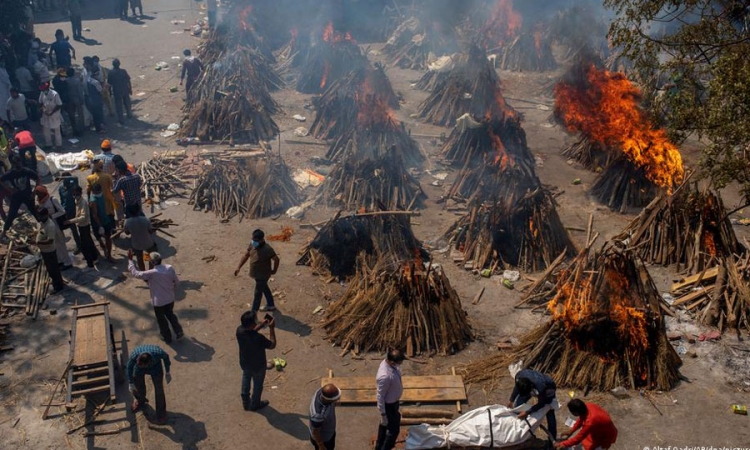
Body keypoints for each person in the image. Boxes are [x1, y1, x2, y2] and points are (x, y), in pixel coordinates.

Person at [128, 250, 183, 343]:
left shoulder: (151, 273)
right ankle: (179, 331)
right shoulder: (169, 268)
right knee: (170, 315)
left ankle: (167, 337)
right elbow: (177, 282)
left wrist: (130, 260)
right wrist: (172, 290)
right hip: (170, 298)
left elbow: (135, 273)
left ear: (152, 262)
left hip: (158, 302)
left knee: (162, 320)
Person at [236, 310, 276, 411]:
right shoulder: (258, 338)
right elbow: (272, 344)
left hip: (245, 363)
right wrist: (271, 328)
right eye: (255, 320)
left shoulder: (239, 331)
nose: (257, 321)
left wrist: (261, 325)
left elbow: (250, 332)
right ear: (252, 324)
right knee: (258, 385)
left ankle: (245, 400)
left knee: (246, 377)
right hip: (258, 366)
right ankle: (255, 403)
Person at [234, 229, 280, 312]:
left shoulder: (267, 249)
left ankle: (253, 313)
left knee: (257, 294)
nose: (253, 241)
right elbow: (246, 255)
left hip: (263, 275)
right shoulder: (252, 245)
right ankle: (271, 305)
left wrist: (274, 270)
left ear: (262, 240)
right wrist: (238, 267)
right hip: (256, 274)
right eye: (252, 239)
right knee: (264, 288)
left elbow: (276, 259)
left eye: (255, 240)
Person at [508, 368, 558, 440]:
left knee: (549, 412)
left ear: (531, 388)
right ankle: (519, 430)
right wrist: (511, 400)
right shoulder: (519, 376)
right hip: (531, 386)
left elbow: (541, 404)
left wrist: (528, 412)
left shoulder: (541, 387)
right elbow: (517, 387)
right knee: (518, 404)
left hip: (548, 389)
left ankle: (552, 439)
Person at [127, 344, 171, 424]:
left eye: (143, 365)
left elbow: (166, 357)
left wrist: (167, 371)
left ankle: (161, 414)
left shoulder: (158, 353)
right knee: (137, 385)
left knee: (159, 390)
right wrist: (131, 382)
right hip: (139, 370)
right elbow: (129, 368)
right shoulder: (134, 356)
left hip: (156, 368)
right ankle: (140, 401)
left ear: (148, 363)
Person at [1, 154, 40, 239]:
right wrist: (9, 189)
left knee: (35, 212)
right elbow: (1, 180)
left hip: (28, 196)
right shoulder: (10, 173)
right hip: (16, 197)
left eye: (19, 163)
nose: (18, 166)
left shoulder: (26, 171)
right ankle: (4, 232)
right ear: (13, 164)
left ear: (21, 163)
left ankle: (44, 228)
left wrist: (34, 192)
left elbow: (38, 178)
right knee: (11, 214)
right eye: (16, 164)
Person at [35, 185, 74, 270]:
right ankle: (60, 261)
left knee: (61, 244)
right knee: (54, 244)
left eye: (39, 194)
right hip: (47, 225)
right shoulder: (40, 201)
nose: (38, 196)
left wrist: (52, 216)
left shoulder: (52, 200)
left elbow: (62, 211)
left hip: (55, 224)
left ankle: (67, 262)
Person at [375, 349, 405, 450]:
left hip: (393, 403)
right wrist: (383, 414)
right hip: (389, 406)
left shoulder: (390, 365)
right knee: (393, 430)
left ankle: (379, 446)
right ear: (392, 362)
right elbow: (380, 396)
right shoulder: (385, 376)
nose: (401, 364)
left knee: (384, 425)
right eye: (399, 362)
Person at [65, 186, 98, 268]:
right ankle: (94, 257)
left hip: (84, 225)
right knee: (89, 242)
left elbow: (83, 217)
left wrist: (71, 221)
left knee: (85, 246)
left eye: (77, 194)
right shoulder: (77, 201)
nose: (75, 195)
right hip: (81, 226)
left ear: (80, 193)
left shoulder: (83, 203)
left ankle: (90, 263)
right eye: (74, 194)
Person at [34, 208, 65, 293]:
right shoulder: (42, 223)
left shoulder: (50, 225)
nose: (39, 218)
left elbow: (50, 240)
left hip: (49, 251)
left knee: (53, 269)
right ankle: (58, 282)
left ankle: (58, 287)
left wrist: (38, 242)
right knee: (50, 268)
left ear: (46, 215)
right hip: (44, 251)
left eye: (41, 216)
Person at [309, 384, 341, 450]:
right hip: (324, 439)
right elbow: (315, 431)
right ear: (329, 400)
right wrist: (321, 445)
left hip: (329, 431)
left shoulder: (321, 391)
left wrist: (334, 402)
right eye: (336, 398)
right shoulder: (318, 415)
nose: (338, 399)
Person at [89, 183, 115, 261]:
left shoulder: (102, 195)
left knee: (108, 237)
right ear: (93, 192)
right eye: (96, 192)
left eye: (99, 191)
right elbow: (95, 215)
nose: (98, 193)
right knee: (99, 236)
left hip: (105, 219)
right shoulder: (93, 201)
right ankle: (102, 245)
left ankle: (109, 255)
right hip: (98, 222)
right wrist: (100, 226)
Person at [57, 172, 83, 253]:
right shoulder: (61, 189)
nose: (65, 181)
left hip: (74, 210)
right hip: (65, 211)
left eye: (66, 179)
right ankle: (77, 245)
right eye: (64, 180)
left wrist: (66, 177)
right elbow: (62, 200)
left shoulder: (73, 186)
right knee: (69, 229)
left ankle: (81, 245)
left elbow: (75, 178)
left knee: (77, 229)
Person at [123, 204, 154, 270]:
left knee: (139, 259)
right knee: (150, 257)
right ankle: (150, 272)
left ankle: (144, 274)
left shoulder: (127, 222)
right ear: (138, 210)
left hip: (136, 244)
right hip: (147, 242)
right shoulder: (145, 219)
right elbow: (151, 231)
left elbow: (127, 233)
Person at [38, 82, 63, 151]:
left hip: (54, 115)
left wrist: (52, 112)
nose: (43, 91)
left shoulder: (55, 94)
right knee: (46, 131)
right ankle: (48, 144)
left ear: (47, 88)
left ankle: (58, 145)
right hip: (46, 114)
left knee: (57, 131)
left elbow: (59, 104)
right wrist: (43, 109)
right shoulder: (42, 93)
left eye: (44, 90)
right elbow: (40, 103)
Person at [107, 58, 133, 125]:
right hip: (125, 90)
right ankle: (129, 114)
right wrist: (130, 89)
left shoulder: (111, 73)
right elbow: (128, 80)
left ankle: (121, 119)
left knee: (118, 106)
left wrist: (109, 92)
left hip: (116, 91)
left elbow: (109, 84)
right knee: (127, 103)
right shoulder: (123, 71)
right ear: (119, 64)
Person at [65, 67, 85, 136]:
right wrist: (82, 99)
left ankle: (74, 129)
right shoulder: (77, 81)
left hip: (69, 99)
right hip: (77, 98)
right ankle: (81, 129)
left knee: (72, 115)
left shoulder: (66, 81)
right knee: (80, 115)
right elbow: (79, 91)